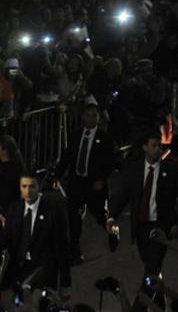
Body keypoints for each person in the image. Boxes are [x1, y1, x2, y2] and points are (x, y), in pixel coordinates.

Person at [107, 131, 178, 311]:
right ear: (145, 147)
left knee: (151, 270)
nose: (157, 150)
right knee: (151, 268)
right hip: (141, 227)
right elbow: (124, 195)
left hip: (159, 228)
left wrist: (172, 224)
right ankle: (159, 304)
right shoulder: (135, 169)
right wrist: (111, 216)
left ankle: (138, 308)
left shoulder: (171, 170)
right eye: (154, 146)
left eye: (159, 146)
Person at [0, 175, 70, 309]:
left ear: (39, 188)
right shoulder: (14, 209)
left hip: (43, 268)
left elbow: (62, 247)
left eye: (32, 186)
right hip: (19, 265)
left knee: (36, 304)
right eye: (24, 186)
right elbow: (6, 238)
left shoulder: (53, 212)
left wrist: (66, 282)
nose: (28, 191)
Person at [55, 103, 114, 263]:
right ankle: (75, 252)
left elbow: (111, 162)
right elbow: (67, 156)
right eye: (88, 115)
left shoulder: (105, 138)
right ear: (83, 117)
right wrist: (56, 175)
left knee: (101, 215)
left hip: (94, 184)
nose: (91, 118)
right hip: (76, 183)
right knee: (74, 219)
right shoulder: (76, 135)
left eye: (94, 115)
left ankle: (113, 234)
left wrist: (101, 179)